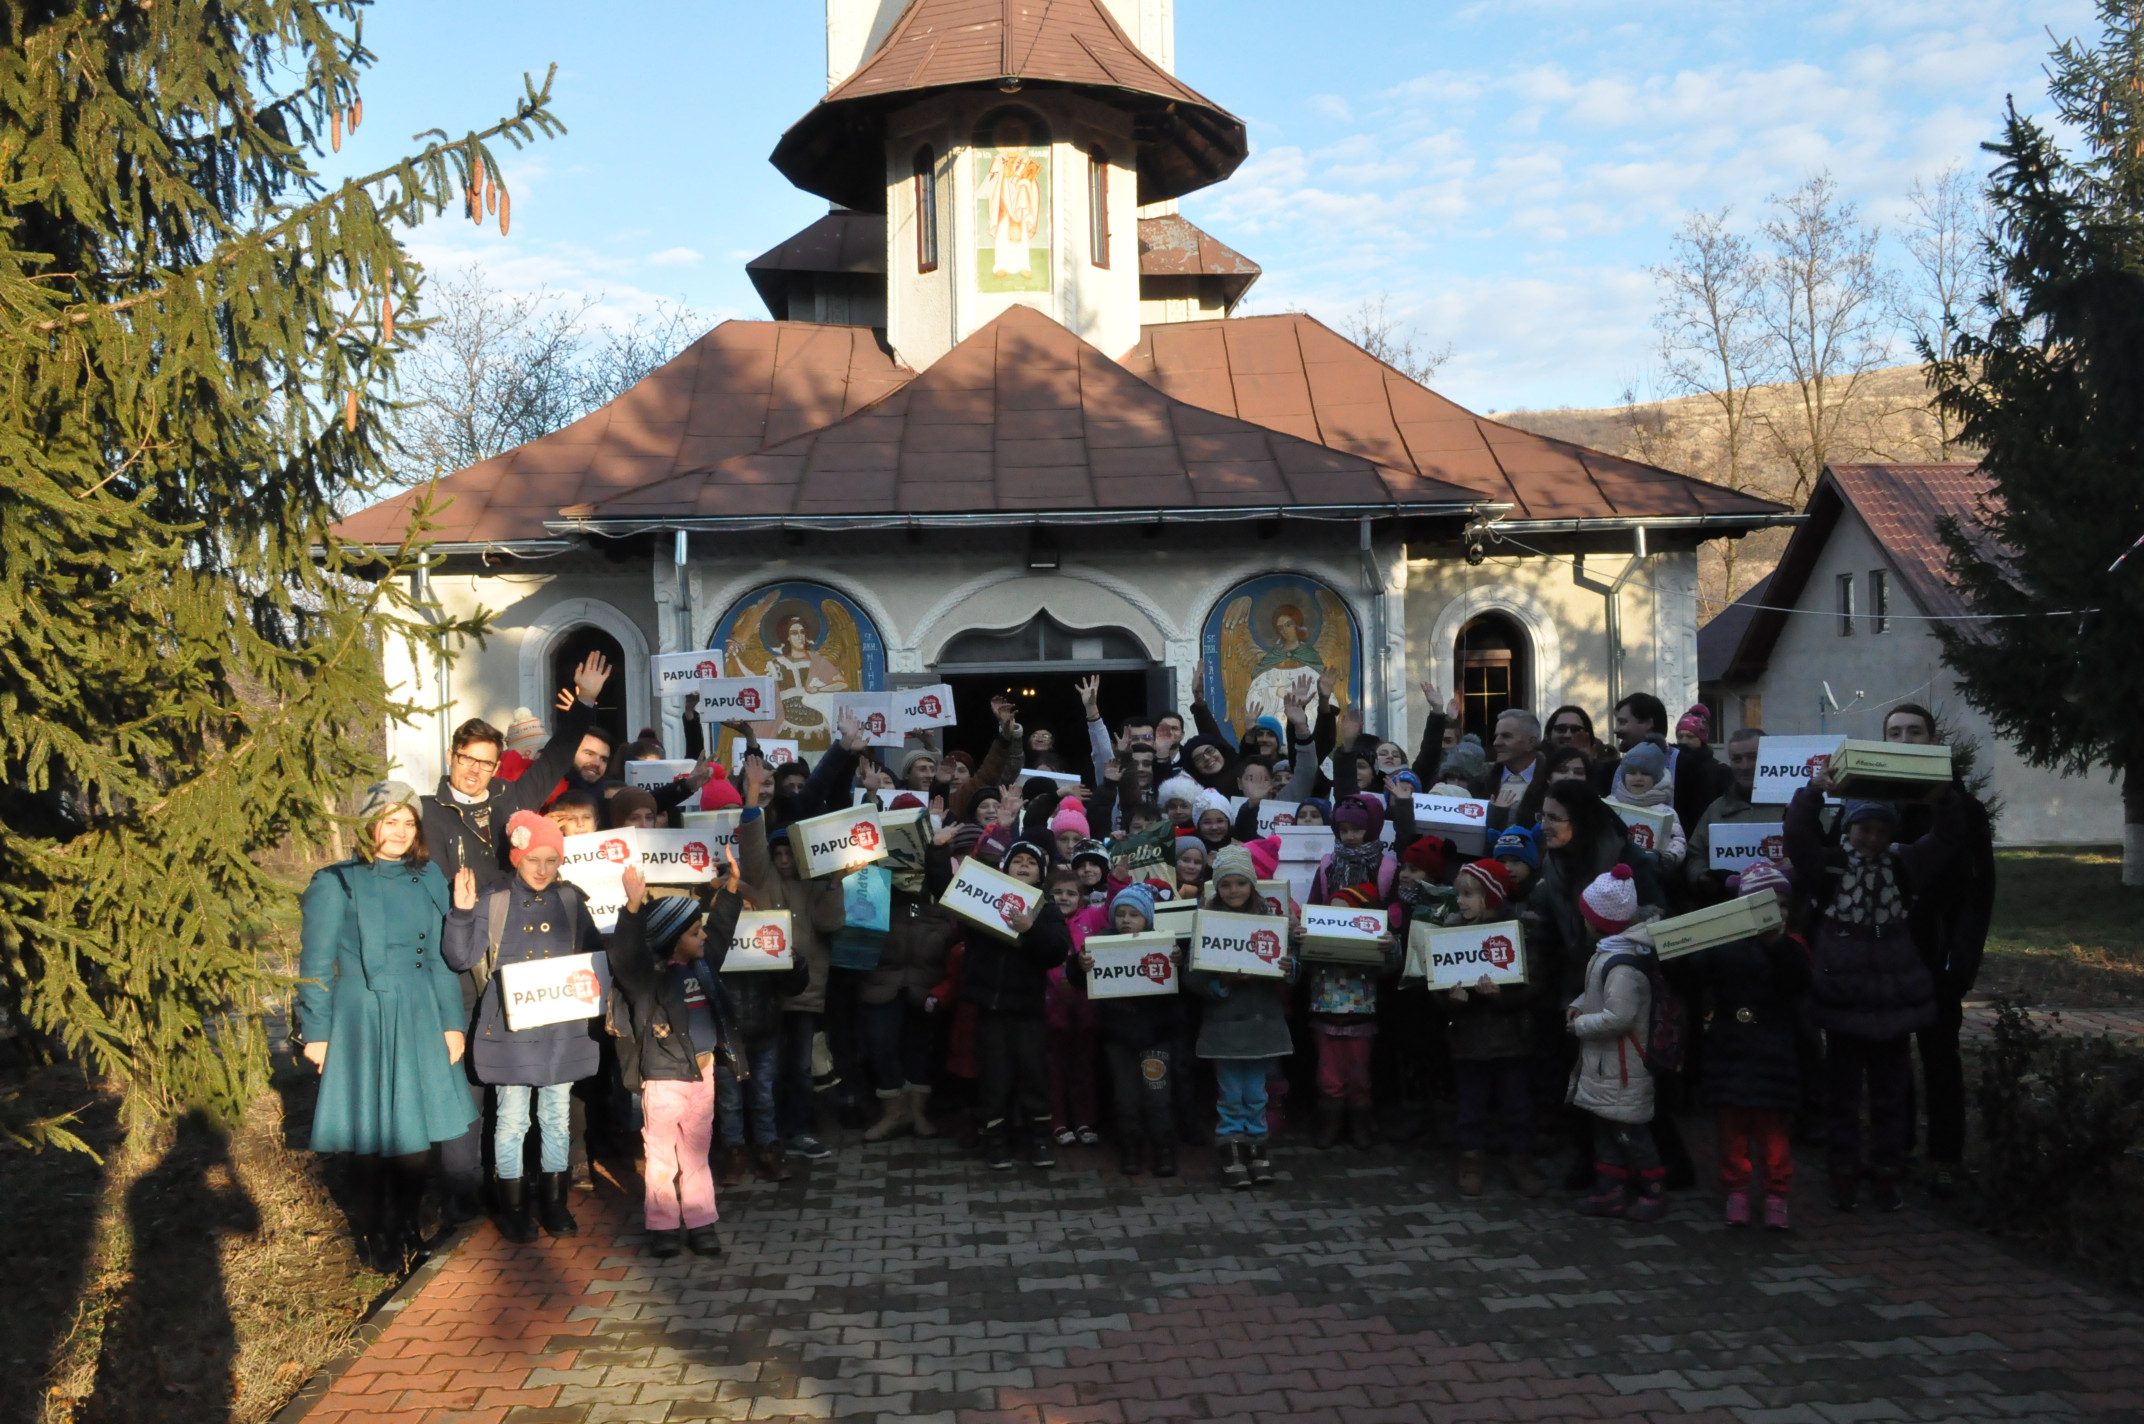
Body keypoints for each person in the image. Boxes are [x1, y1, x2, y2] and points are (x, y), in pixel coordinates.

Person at [297, 782, 476, 1271]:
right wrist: (317, 1032)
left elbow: (440, 959)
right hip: (361, 1018)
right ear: (367, 825)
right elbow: (315, 965)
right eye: (389, 821)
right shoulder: (336, 882)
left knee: (416, 1139)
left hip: (419, 1012)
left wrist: (451, 1022)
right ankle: (376, 1234)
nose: (400, 832)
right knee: (368, 1138)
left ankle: (407, 1224)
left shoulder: (429, 877)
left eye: (408, 822)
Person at [1784, 775, 1963, 1213]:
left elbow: (1947, 839)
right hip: (1842, 992)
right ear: (1849, 828)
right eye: (1865, 829)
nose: (1873, 839)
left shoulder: (1905, 863)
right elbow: (1798, 835)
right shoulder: (1829, 865)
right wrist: (1813, 792)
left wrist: (1943, 800)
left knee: (1891, 1093)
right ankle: (1843, 1172)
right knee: (1841, 1094)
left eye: (1883, 830)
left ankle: (1887, 1171)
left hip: (1893, 995)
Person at [444, 810, 606, 1244]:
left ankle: (554, 1202)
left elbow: (594, 958)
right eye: (533, 858)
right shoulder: (494, 901)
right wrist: (462, 913)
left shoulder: (570, 901)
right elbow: (461, 958)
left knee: (556, 1118)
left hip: (561, 1029)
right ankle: (513, 1207)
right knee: (512, 1121)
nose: (542, 869)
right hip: (510, 1033)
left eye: (552, 860)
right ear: (517, 856)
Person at [1883, 702, 1994, 1198]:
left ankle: (1945, 1157)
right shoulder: (1876, 804)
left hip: (1938, 954)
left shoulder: (1961, 808)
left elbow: (1978, 891)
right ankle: (1898, 1146)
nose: (1905, 740)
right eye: (1895, 733)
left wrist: (1961, 961)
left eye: (1915, 732)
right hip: (1885, 955)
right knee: (1890, 1057)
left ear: (1933, 741)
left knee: (1940, 1059)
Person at [607, 857, 744, 1258]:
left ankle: (701, 1222)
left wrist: (731, 888)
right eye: (695, 932)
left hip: (703, 1077)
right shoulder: (647, 979)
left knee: (697, 1154)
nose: (704, 937)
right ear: (672, 939)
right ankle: (664, 1226)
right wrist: (633, 907)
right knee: (661, 1157)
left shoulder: (703, 965)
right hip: (664, 1080)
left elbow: (722, 929)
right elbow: (625, 955)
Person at [735, 758, 848, 1163]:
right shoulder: (763, 877)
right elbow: (751, 840)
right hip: (764, 992)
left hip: (805, 995)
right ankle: (765, 1137)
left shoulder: (814, 884)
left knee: (800, 1067)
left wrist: (834, 883)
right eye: (777, 852)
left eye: (789, 853)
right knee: (766, 1069)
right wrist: (752, 795)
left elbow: (830, 923)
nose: (783, 860)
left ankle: (798, 1131)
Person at [1685, 863, 1807, 1230]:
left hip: (1774, 1058)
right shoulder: (1724, 945)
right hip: (1730, 1053)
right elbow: (1693, 975)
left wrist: (1777, 945)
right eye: (1764, 905)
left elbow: (1802, 981)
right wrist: (1676, 947)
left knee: (1775, 1135)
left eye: (1781, 905)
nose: (1775, 914)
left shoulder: (1792, 947)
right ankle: (1736, 1189)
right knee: (1732, 1131)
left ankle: (1776, 1193)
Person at [962, 837, 1073, 1171]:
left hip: (1027, 1008)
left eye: (1031, 862)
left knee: (1034, 1073)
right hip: (990, 1006)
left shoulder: (1046, 909)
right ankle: (995, 1139)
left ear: (1041, 874)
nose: (1024, 865)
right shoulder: (985, 897)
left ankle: (1040, 1138)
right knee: (994, 1075)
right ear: (1005, 867)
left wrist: (1030, 929)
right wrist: (939, 854)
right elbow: (947, 895)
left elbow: (1057, 950)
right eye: (1017, 860)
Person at [1566, 864, 1668, 1221]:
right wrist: (1580, 1004)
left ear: (1600, 922)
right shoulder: (1609, 952)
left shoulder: (1623, 966)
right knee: (1606, 1130)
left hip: (1624, 1067)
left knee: (1630, 1133)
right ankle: (1609, 1190)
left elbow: (1619, 1017)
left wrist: (1581, 1026)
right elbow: (1598, 993)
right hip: (1607, 1065)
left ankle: (1654, 1191)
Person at [1441, 858, 1546, 1197]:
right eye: (1459, 895)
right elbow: (1437, 983)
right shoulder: (1451, 933)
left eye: (1469, 895)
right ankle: (1471, 1159)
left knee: (1517, 1103)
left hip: (1510, 1037)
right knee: (1471, 1104)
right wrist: (1452, 1000)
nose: (1461, 902)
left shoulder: (1518, 932)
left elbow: (1534, 983)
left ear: (1491, 897)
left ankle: (1521, 1159)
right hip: (1468, 1038)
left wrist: (1503, 996)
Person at [1189, 869, 1295, 1190]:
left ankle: (1257, 1148)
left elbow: (1292, 965)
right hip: (1225, 1027)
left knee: (1256, 1093)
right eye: (1225, 884)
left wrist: (1289, 967)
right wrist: (1223, 981)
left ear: (1252, 885)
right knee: (1231, 1094)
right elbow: (1192, 978)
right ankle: (1231, 1149)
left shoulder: (1272, 921)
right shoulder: (1206, 923)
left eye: (1240, 883)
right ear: (1216, 888)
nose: (1233, 890)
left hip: (1260, 1024)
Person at [1074, 884, 1184, 1178]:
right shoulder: (1101, 943)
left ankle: (1163, 1149)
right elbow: (1077, 978)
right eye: (1120, 914)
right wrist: (1080, 963)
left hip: (1156, 1036)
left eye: (1134, 914)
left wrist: (1179, 963)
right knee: (1126, 1098)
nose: (1126, 920)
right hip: (1118, 1037)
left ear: (1147, 918)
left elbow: (1182, 989)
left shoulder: (1162, 943)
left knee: (1158, 1097)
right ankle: (1130, 1148)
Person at [1684, 728, 1773, 904]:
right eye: (1737, 759)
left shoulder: (1794, 806)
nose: (1745, 766)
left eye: (1753, 757)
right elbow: (1695, 854)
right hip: (1729, 906)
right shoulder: (1716, 809)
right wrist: (1701, 876)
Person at [1486, 709, 1548, 831]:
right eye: (1496, 736)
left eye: (1506, 736)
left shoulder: (1552, 781)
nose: (1496, 743)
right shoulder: (1480, 780)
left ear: (1531, 742)